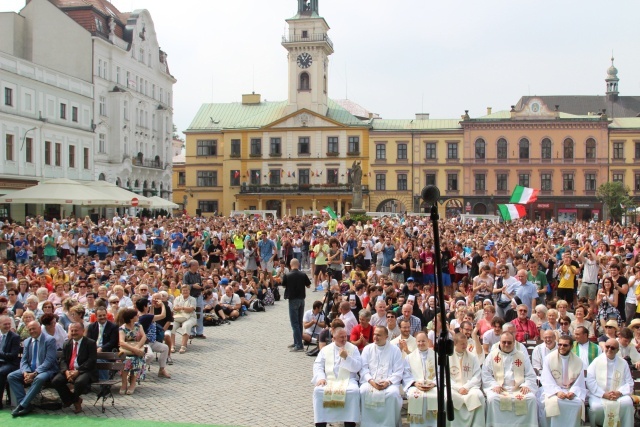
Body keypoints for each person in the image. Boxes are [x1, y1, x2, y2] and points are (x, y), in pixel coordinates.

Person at [482, 331, 538, 427]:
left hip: (519, 388)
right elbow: (485, 374)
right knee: (493, 399)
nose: (506, 344)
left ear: (514, 342)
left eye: (509, 342)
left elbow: (530, 374)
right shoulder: (492, 356)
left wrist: (526, 385)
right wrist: (494, 385)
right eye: (504, 342)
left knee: (531, 399)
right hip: (500, 388)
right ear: (500, 342)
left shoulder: (521, 356)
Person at [311, 327, 362, 427]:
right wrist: (321, 377)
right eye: (341, 337)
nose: (344, 339)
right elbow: (318, 365)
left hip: (348, 380)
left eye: (345, 337)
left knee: (353, 391)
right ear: (333, 338)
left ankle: (349, 423)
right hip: (329, 380)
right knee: (318, 391)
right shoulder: (326, 349)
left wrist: (346, 357)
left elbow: (357, 367)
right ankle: (321, 423)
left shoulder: (353, 348)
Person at [7, 320, 59, 417]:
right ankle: (27, 405)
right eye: (30, 329)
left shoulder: (49, 340)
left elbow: (49, 361)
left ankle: (22, 405)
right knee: (11, 376)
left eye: (34, 328)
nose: (32, 331)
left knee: (39, 378)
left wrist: (35, 373)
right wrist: (25, 372)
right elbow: (24, 360)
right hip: (30, 369)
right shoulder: (27, 341)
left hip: (47, 370)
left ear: (39, 328)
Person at [358, 326, 403, 427]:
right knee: (363, 391)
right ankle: (368, 424)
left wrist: (388, 382)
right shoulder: (367, 349)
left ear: (386, 337)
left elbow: (399, 370)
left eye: (378, 335)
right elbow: (363, 369)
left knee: (392, 394)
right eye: (374, 334)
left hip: (389, 383)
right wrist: (371, 381)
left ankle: (389, 424)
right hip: (371, 382)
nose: (375, 337)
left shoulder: (395, 350)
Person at [538, 336, 587, 427]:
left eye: (565, 345)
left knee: (577, 403)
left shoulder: (578, 361)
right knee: (554, 402)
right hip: (551, 390)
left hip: (570, 390)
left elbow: (579, 382)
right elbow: (546, 379)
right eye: (560, 344)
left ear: (571, 347)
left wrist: (573, 392)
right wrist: (557, 391)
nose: (561, 347)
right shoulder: (549, 358)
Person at [586, 338, 635, 427]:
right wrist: (603, 394)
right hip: (599, 394)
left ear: (617, 350)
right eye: (607, 347)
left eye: (612, 348)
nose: (609, 349)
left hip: (618, 395)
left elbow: (629, 382)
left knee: (627, 403)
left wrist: (619, 392)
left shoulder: (623, 363)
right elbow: (590, 380)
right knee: (596, 408)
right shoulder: (597, 361)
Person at [51, 322, 97, 414]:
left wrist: (78, 371)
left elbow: (91, 360)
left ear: (83, 331)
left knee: (79, 382)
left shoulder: (90, 343)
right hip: (69, 370)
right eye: (72, 331)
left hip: (85, 371)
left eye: (76, 330)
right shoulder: (67, 344)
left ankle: (74, 401)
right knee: (56, 381)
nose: (73, 332)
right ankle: (73, 400)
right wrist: (66, 371)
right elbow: (63, 360)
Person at [447, 332, 485, 427]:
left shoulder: (473, 357)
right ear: (455, 344)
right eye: (462, 344)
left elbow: (477, 375)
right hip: (454, 388)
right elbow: (446, 377)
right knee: (446, 397)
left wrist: (466, 387)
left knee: (479, 396)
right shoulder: (448, 357)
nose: (465, 346)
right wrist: (458, 388)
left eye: (466, 343)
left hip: (470, 388)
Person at [402, 331, 438, 427]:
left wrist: (434, 383)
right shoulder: (409, 357)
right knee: (415, 396)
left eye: (423, 341)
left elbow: (440, 372)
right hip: (416, 386)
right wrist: (415, 383)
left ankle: (434, 424)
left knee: (436, 395)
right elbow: (406, 374)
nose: (421, 343)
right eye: (418, 341)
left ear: (428, 341)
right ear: (416, 342)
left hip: (433, 386)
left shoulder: (436, 356)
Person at [283, 258, 311, 352]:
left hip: (292, 299)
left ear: (290, 265)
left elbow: (283, 285)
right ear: (298, 264)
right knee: (299, 322)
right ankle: (297, 341)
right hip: (301, 299)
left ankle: (299, 345)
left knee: (294, 323)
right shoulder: (303, 274)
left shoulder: (287, 275)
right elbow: (308, 285)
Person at [86, 306, 119, 380]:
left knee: (99, 361)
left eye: (104, 315)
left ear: (107, 315)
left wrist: (102, 348)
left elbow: (113, 342)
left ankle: (105, 385)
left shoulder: (113, 327)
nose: (102, 317)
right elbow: (88, 340)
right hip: (93, 352)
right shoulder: (91, 327)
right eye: (100, 316)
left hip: (107, 353)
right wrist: (94, 349)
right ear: (96, 317)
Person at [0, 315, 21, 409]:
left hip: (11, 363)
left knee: (1, 373)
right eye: (5, 324)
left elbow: (12, 355)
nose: (8, 326)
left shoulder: (15, 337)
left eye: (9, 324)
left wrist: (0, 353)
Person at [182, 260, 205, 339]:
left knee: (199, 315)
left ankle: (199, 332)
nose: (198, 267)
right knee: (191, 315)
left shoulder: (198, 275)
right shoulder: (186, 275)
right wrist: (193, 286)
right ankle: (191, 332)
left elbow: (200, 284)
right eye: (196, 265)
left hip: (198, 296)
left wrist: (201, 286)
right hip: (191, 297)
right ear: (191, 266)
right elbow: (185, 285)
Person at [171, 285, 197, 354]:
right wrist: (184, 308)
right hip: (178, 317)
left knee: (186, 325)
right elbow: (175, 308)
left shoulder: (192, 299)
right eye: (183, 290)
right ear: (181, 291)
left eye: (187, 290)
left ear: (189, 291)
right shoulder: (177, 298)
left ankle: (183, 346)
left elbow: (191, 309)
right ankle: (172, 345)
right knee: (171, 326)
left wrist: (181, 308)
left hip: (190, 317)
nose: (185, 291)